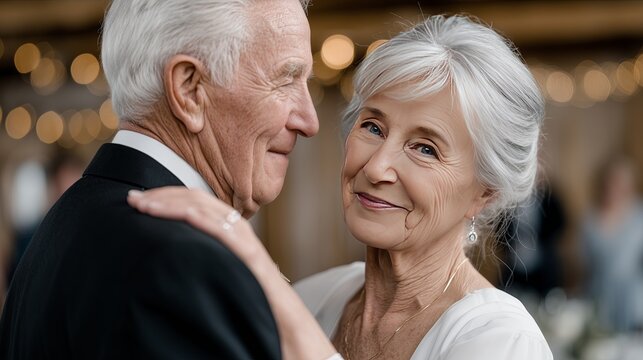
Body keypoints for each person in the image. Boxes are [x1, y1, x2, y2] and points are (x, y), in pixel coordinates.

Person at [128, 15, 553, 359]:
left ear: (486, 192)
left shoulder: (500, 340)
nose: (378, 166)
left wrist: (262, 275)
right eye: (372, 126)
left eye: (425, 148)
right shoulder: (315, 298)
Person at [0, 0, 334, 359]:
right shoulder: (178, 261)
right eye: (285, 80)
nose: (309, 121)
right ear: (189, 89)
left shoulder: (70, 218)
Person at [580, 156, 643, 333]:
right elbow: (585, 264)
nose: (614, 188)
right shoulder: (590, 218)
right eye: (610, 182)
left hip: (631, 301)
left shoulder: (639, 216)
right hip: (597, 296)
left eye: (620, 183)